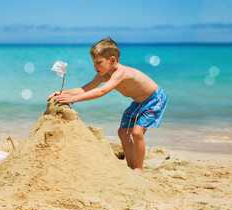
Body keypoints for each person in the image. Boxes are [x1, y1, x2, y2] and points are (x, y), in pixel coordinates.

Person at [47, 37, 168, 174]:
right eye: (93, 63)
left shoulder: (121, 73)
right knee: (123, 133)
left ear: (112, 60)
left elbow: (101, 91)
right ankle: (130, 166)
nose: (95, 67)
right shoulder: (103, 75)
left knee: (137, 132)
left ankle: (139, 168)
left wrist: (73, 99)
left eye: (98, 62)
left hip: (155, 99)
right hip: (139, 103)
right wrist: (63, 92)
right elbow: (86, 88)